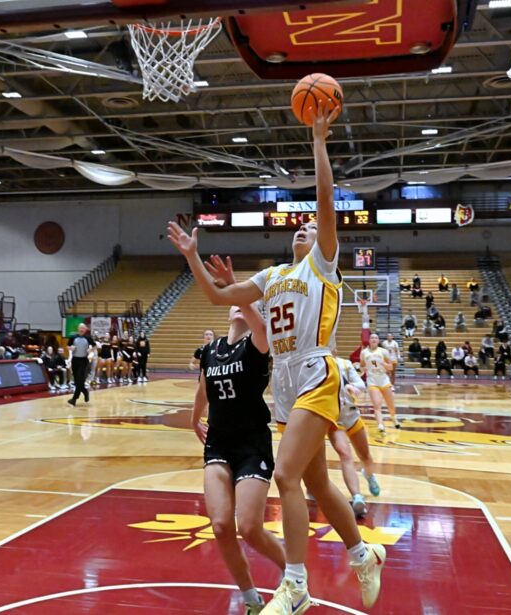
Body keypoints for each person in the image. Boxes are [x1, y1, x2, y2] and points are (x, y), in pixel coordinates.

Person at [168, 101, 384, 614]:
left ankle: (295, 583)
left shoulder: (322, 267)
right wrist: (193, 258)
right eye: (299, 228)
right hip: (284, 384)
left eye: (310, 228)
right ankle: (362, 553)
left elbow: (327, 205)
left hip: (316, 369)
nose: (304, 230)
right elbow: (221, 298)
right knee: (314, 481)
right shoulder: (270, 278)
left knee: (285, 477)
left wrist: (319, 144)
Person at [192, 298, 285, 615]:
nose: (240, 306)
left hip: (252, 443)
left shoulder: (257, 345)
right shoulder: (211, 350)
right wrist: (194, 419)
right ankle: (252, 600)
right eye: (237, 303)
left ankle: (296, 573)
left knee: (249, 526)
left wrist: (248, 300)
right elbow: (204, 389)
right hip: (218, 442)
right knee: (220, 525)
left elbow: (259, 326)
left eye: (248, 304)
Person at [331, 350, 381, 519]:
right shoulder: (317, 365)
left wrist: (354, 387)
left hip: (351, 415)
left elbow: (361, 384)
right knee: (345, 455)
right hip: (333, 418)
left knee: (365, 456)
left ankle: (369, 474)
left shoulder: (345, 364)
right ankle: (357, 497)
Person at [362, 333, 399, 432]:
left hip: (383, 379)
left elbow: (390, 368)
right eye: (372, 337)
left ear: (378, 341)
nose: (374, 339)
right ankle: (380, 425)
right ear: (369, 340)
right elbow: (361, 366)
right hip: (372, 381)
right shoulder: (364, 352)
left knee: (390, 404)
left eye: (376, 338)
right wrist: (363, 369)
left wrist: (383, 364)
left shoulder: (384, 352)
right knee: (376, 405)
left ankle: (393, 417)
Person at [68, 323, 93, 406]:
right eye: (80, 328)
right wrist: (70, 348)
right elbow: (68, 346)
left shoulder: (88, 337)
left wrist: (90, 350)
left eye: (83, 328)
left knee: (80, 379)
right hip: (75, 360)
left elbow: (95, 346)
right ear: (78, 329)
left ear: (85, 329)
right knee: (77, 381)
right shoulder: (73, 337)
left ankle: (74, 399)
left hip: (84, 361)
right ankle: (85, 392)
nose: (81, 329)